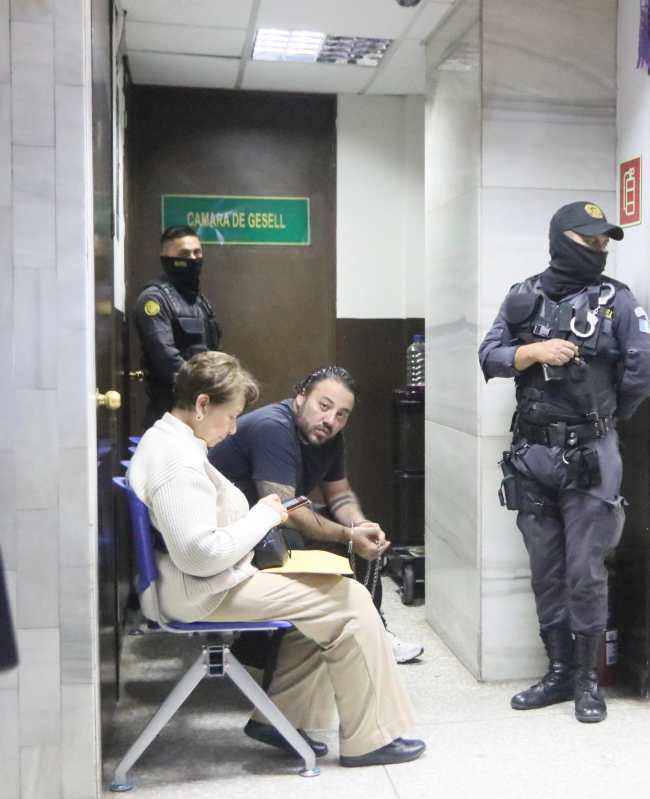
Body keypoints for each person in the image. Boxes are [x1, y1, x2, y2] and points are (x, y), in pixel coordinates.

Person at [127, 352, 425, 767]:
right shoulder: (179, 461)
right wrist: (264, 515)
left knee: (324, 604)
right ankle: (370, 740)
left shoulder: (174, 441)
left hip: (201, 581)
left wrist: (349, 526)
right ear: (201, 406)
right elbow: (200, 554)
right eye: (230, 416)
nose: (233, 429)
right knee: (349, 601)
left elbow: (335, 495)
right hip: (200, 589)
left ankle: (282, 718)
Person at [479, 201, 650, 723]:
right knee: (546, 570)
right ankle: (557, 672)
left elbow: (642, 376)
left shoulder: (618, 302)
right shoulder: (522, 297)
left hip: (592, 453)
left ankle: (587, 681)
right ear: (561, 239)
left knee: (586, 571)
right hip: (532, 453)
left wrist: (602, 419)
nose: (599, 250)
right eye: (590, 240)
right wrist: (535, 352)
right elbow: (489, 355)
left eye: (605, 242)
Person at [208, 366, 425, 665]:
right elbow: (289, 511)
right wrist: (347, 535)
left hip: (264, 522)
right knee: (304, 539)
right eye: (324, 406)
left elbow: (340, 495)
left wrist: (360, 526)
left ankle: (374, 632)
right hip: (226, 534)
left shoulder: (329, 437)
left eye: (341, 414)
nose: (331, 420)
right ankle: (261, 652)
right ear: (301, 397)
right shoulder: (273, 427)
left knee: (360, 541)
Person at [134, 225, 222, 430]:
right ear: (165, 258)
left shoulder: (200, 302)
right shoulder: (154, 300)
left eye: (197, 252)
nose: (192, 258)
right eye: (184, 253)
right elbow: (166, 358)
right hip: (170, 412)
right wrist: (204, 391)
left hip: (201, 409)